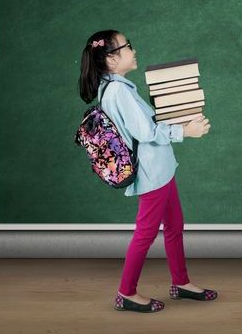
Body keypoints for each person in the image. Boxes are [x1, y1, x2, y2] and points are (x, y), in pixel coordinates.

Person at [78, 30, 217, 313]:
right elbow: (146, 131)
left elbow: (144, 122)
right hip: (152, 173)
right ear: (112, 59)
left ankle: (181, 283)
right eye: (128, 46)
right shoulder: (117, 91)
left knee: (174, 226)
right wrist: (185, 131)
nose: (134, 50)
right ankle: (126, 292)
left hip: (161, 169)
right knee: (145, 233)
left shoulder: (117, 86)